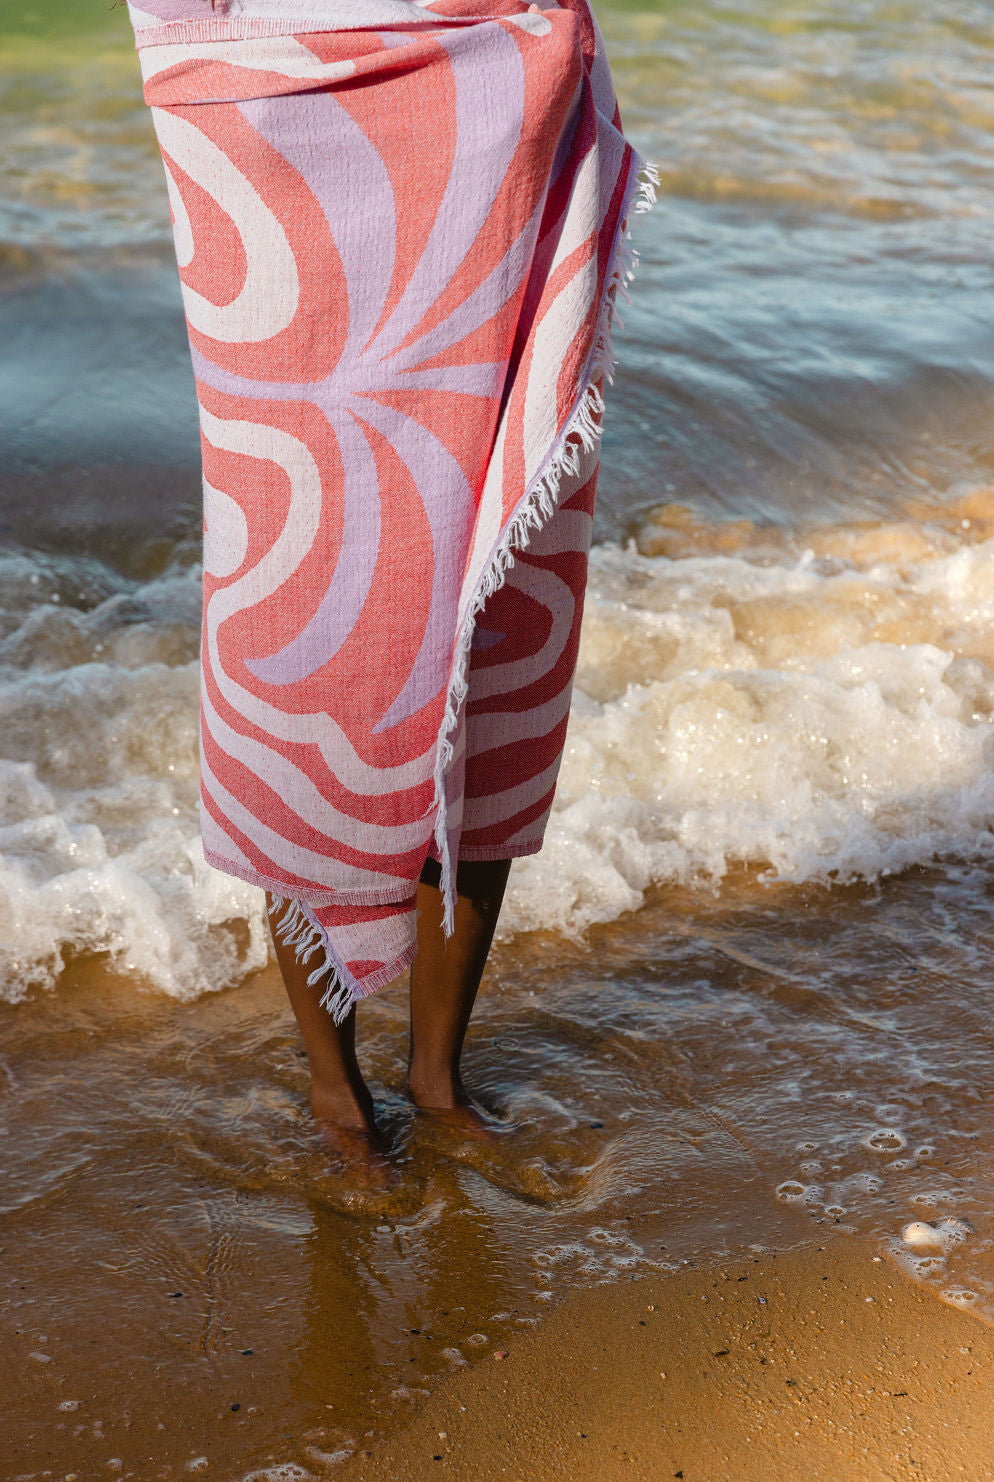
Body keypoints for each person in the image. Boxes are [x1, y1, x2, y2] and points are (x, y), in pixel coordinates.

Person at [127, 0, 652, 1162]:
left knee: (497, 623)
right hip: (277, 127)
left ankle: (438, 1076)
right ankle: (334, 1095)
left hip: (489, 105)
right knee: (307, 632)